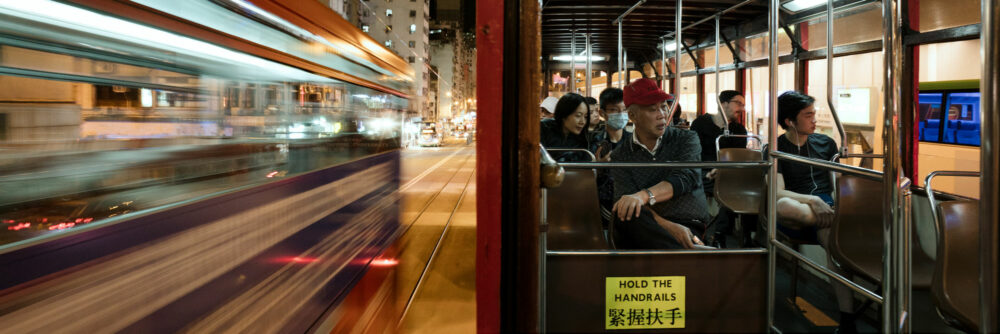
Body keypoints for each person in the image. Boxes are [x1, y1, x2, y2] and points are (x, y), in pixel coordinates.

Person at [772, 91, 856, 333]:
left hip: (826, 211)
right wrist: (812, 200)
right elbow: (778, 192)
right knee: (783, 206)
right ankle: (835, 220)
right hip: (797, 208)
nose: (814, 120)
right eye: (808, 115)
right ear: (789, 121)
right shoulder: (777, 147)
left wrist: (835, 204)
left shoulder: (826, 143)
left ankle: (847, 320)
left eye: (814, 114)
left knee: (833, 244)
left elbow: (837, 181)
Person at [609, 78, 710, 249]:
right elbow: (627, 200)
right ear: (632, 116)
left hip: (687, 221)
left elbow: (685, 177)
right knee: (624, 210)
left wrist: (644, 195)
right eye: (652, 109)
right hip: (648, 224)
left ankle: (681, 249)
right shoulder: (621, 154)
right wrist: (670, 228)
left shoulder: (686, 139)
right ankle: (690, 251)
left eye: (664, 106)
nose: (662, 114)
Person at [690, 90, 750, 246]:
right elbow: (693, 153)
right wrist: (709, 169)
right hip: (702, 171)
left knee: (736, 187)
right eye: (738, 103)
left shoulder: (739, 131)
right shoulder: (700, 124)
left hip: (727, 174)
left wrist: (723, 170)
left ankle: (721, 235)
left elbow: (738, 158)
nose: (741, 108)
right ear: (723, 104)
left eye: (743, 105)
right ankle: (703, 231)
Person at [588, 88, 632, 227]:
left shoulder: (634, 142)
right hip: (601, 204)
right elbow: (586, 181)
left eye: (624, 110)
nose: (621, 114)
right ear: (602, 113)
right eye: (614, 110)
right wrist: (599, 168)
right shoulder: (593, 142)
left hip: (630, 202)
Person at [541, 93, 591, 162]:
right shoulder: (544, 128)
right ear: (564, 115)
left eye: (585, 117)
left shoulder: (582, 138)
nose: (583, 122)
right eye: (578, 116)